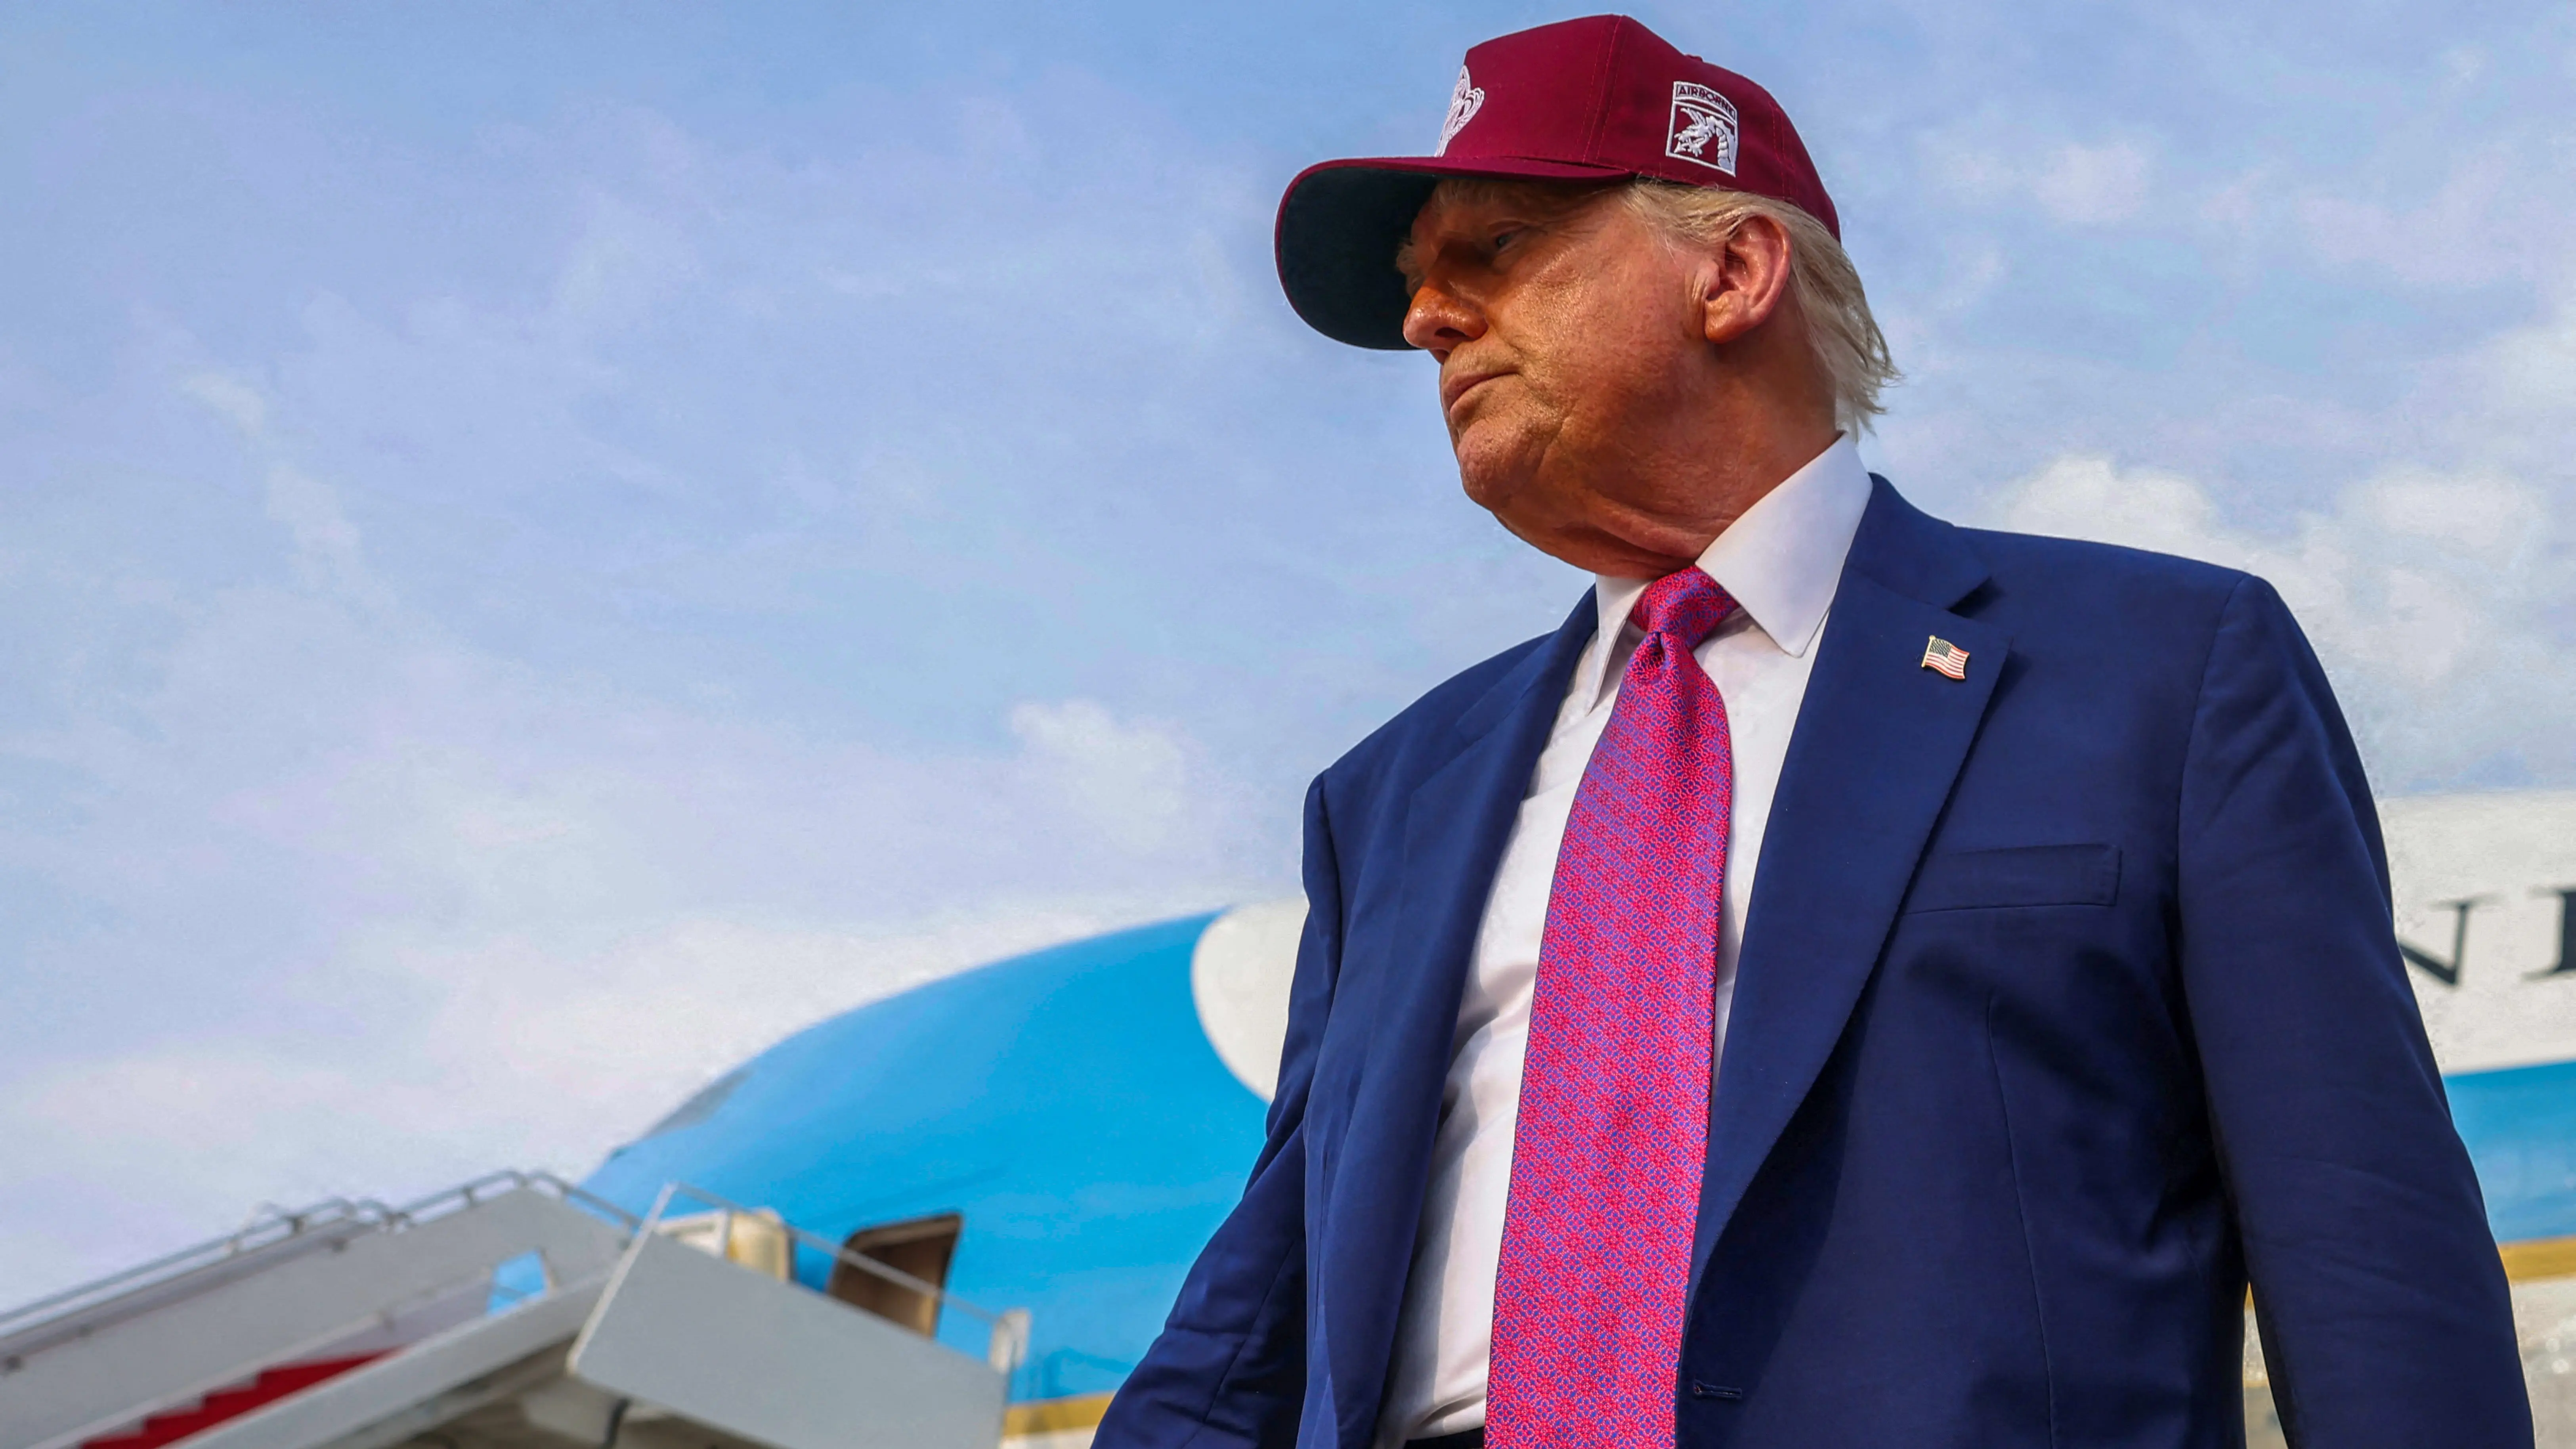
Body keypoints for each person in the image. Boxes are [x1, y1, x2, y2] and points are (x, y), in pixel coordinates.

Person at [1096, 14, 2528, 1449]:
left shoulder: (2166, 672)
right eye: (1419, 285)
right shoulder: (1389, 798)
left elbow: (2364, 1243)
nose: (1426, 320)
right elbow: (1249, 1325)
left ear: (1730, 270)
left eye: (1497, 250)